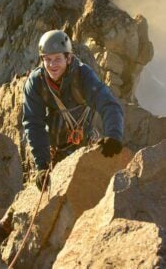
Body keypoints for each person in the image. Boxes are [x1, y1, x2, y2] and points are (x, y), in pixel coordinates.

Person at [23, 29, 124, 191]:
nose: (52, 65)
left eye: (57, 59)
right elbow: (34, 124)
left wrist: (113, 135)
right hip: (53, 151)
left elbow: (108, 104)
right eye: (47, 60)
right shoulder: (36, 83)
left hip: (85, 146)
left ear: (68, 58)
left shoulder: (83, 76)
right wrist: (42, 166)